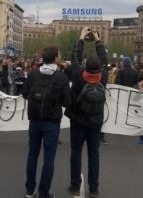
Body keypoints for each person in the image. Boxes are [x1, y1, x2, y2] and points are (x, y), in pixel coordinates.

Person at [23, 45, 72, 198]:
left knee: (32, 155)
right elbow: (66, 102)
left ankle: (30, 190)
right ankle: (44, 192)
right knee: (49, 158)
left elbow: (25, 93)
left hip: (35, 120)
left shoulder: (33, 73)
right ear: (56, 59)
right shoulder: (61, 77)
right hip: (52, 122)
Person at [66, 27, 107, 198]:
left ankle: (75, 186)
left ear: (85, 67)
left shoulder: (77, 75)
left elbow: (75, 57)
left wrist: (81, 37)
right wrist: (98, 40)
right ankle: (94, 188)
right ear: (99, 68)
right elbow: (104, 58)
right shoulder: (103, 75)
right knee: (94, 154)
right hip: (95, 121)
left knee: (76, 152)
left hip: (78, 120)